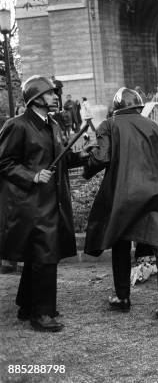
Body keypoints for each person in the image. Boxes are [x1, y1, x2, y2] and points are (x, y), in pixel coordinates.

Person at [82, 87, 158, 323]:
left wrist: (87, 161)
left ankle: (122, 297)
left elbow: (101, 158)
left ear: (117, 108)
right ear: (139, 106)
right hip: (154, 193)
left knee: (121, 243)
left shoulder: (109, 125)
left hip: (123, 193)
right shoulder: (155, 126)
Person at [0, 75, 87, 332]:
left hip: (52, 201)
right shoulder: (17, 125)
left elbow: (63, 158)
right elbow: (4, 162)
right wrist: (32, 175)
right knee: (44, 256)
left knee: (40, 254)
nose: (54, 97)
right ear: (35, 98)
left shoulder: (54, 124)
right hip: (30, 204)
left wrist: (86, 154)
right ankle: (42, 314)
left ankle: (27, 305)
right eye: (49, 94)